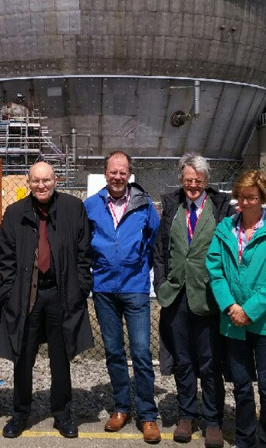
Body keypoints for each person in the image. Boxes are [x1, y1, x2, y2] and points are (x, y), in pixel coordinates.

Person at [0, 160, 94, 439]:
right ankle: (20, 413)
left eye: (46, 180)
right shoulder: (15, 213)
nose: (41, 185)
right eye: (36, 181)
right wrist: (9, 293)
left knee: (60, 359)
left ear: (56, 181)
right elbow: (5, 260)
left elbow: (84, 252)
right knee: (22, 357)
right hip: (26, 296)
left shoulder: (73, 209)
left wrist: (81, 287)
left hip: (61, 294)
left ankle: (62, 414)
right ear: (29, 183)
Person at [206, 170, 266, 448]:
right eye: (241, 197)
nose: (244, 203)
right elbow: (215, 270)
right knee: (241, 385)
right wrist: (230, 305)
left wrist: (249, 310)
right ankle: (244, 438)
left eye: (251, 197)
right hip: (233, 320)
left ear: (262, 198)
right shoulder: (225, 229)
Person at [154, 154, 233, 448]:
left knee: (210, 360)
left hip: (209, 297)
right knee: (183, 360)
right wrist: (160, 284)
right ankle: (186, 415)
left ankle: (213, 420)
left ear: (207, 181)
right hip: (176, 296)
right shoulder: (173, 207)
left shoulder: (220, 209)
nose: (193, 185)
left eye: (198, 180)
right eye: (188, 180)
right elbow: (160, 250)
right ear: (180, 180)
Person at [84, 151, 161, 443]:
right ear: (105, 173)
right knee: (114, 352)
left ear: (129, 174)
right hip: (103, 288)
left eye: (123, 172)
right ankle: (120, 407)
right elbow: (85, 244)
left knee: (141, 352)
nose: (118, 177)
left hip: (135, 288)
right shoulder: (91, 206)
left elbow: (153, 242)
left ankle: (148, 414)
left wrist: (138, 269)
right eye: (113, 172)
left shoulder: (144, 205)